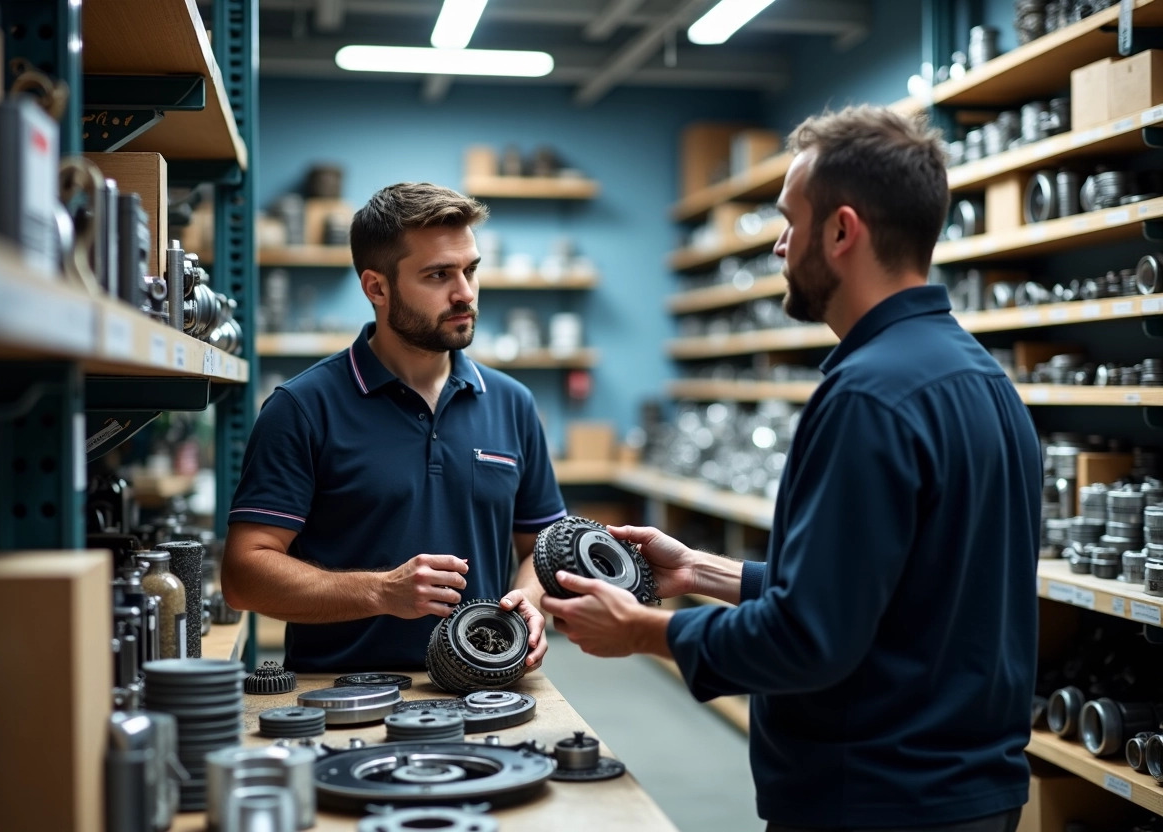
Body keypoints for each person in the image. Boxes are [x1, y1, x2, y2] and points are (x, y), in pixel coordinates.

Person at [543, 106, 1041, 831]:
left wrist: (646, 630)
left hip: (874, 801)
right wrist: (702, 574)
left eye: (789, 220)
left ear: (841, 231)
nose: (778, 244)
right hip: (968, 795)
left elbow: (808, 641)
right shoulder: (983, 381)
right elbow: (896, 596)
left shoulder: (868, 395)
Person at [222, 182, 567, 673]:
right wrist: (382, 592)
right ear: (376, 288)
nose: (464, 293)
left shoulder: (512, 402)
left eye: (470, 270)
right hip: (340, 696)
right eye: (438, 275)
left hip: (488, 689)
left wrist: (528, 597)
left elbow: (541, 546)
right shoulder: (300, 408)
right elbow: (244, 575)